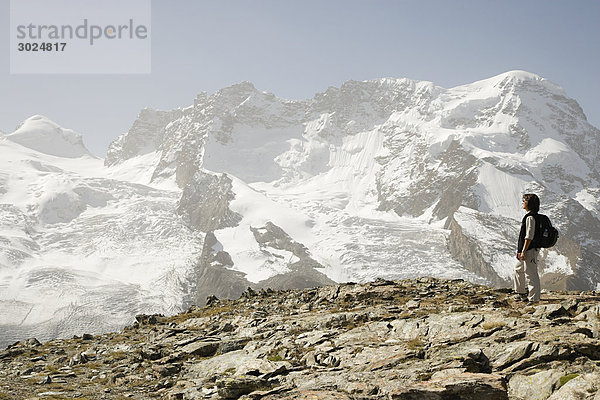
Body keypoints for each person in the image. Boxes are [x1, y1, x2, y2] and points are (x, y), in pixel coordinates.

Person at [513, 193, 541, 303]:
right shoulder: (531, 216)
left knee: (531, 273)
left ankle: (534, 299)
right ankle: (520, 292)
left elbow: (529, 236)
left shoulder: (530, 217)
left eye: (524, 201)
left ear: (529, 203)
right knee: (518, 269)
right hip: (525, 250)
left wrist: (523, 251)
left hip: (529, 250)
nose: (523, 203)